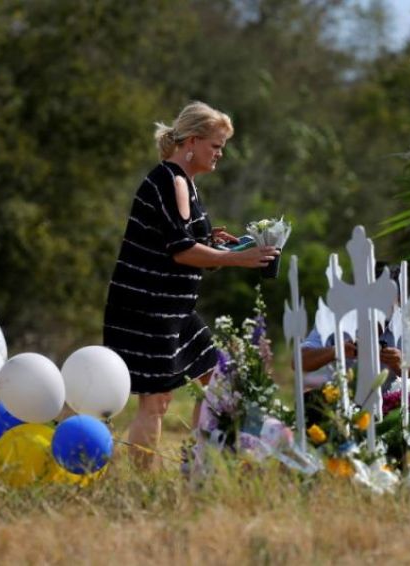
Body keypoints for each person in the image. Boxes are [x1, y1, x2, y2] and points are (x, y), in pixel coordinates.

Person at [103, 101, 279, 469]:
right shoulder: (170, 180)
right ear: (193, 142)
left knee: (219, 380)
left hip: (176, 309)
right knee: (157, 401)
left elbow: (181, 239)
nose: (219, 154)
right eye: (215, 146)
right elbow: (181, 251)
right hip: (148, 306)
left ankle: (205, 462)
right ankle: (143, 484)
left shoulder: (185, 183)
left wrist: (215, 241)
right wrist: (237, 259)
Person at [295, 263, 410, 424]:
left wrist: (404, 366)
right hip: (341, 409)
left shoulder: (409, 326)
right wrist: (337, 351)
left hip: (391, 413)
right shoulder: (335, 318)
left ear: (398, 300)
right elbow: (298, 361)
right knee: (310, 401)